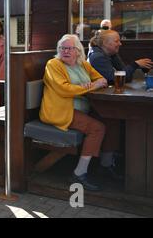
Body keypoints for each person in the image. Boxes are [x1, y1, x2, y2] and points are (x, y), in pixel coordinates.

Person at [40, 34, 120, 191]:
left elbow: (102, 79)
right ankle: (79, 173)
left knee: (112, 120)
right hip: (61, 110)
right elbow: (64, 89)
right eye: (62, 48)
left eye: (70, 48)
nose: (66, 51)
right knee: (97, 128)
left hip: (83, 107)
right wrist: (91, 86)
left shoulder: (83, 64)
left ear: (77, 51)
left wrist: (95, 84)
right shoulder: (53, 64)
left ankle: (105, 165)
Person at [88, 29, 153, 84]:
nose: (120, 44)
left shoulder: (111, 54)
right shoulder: (98, 57)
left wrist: (134, 66)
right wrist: (135, 65)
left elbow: (126, 78)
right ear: (105, 43)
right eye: (116, 41)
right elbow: (114, 80)